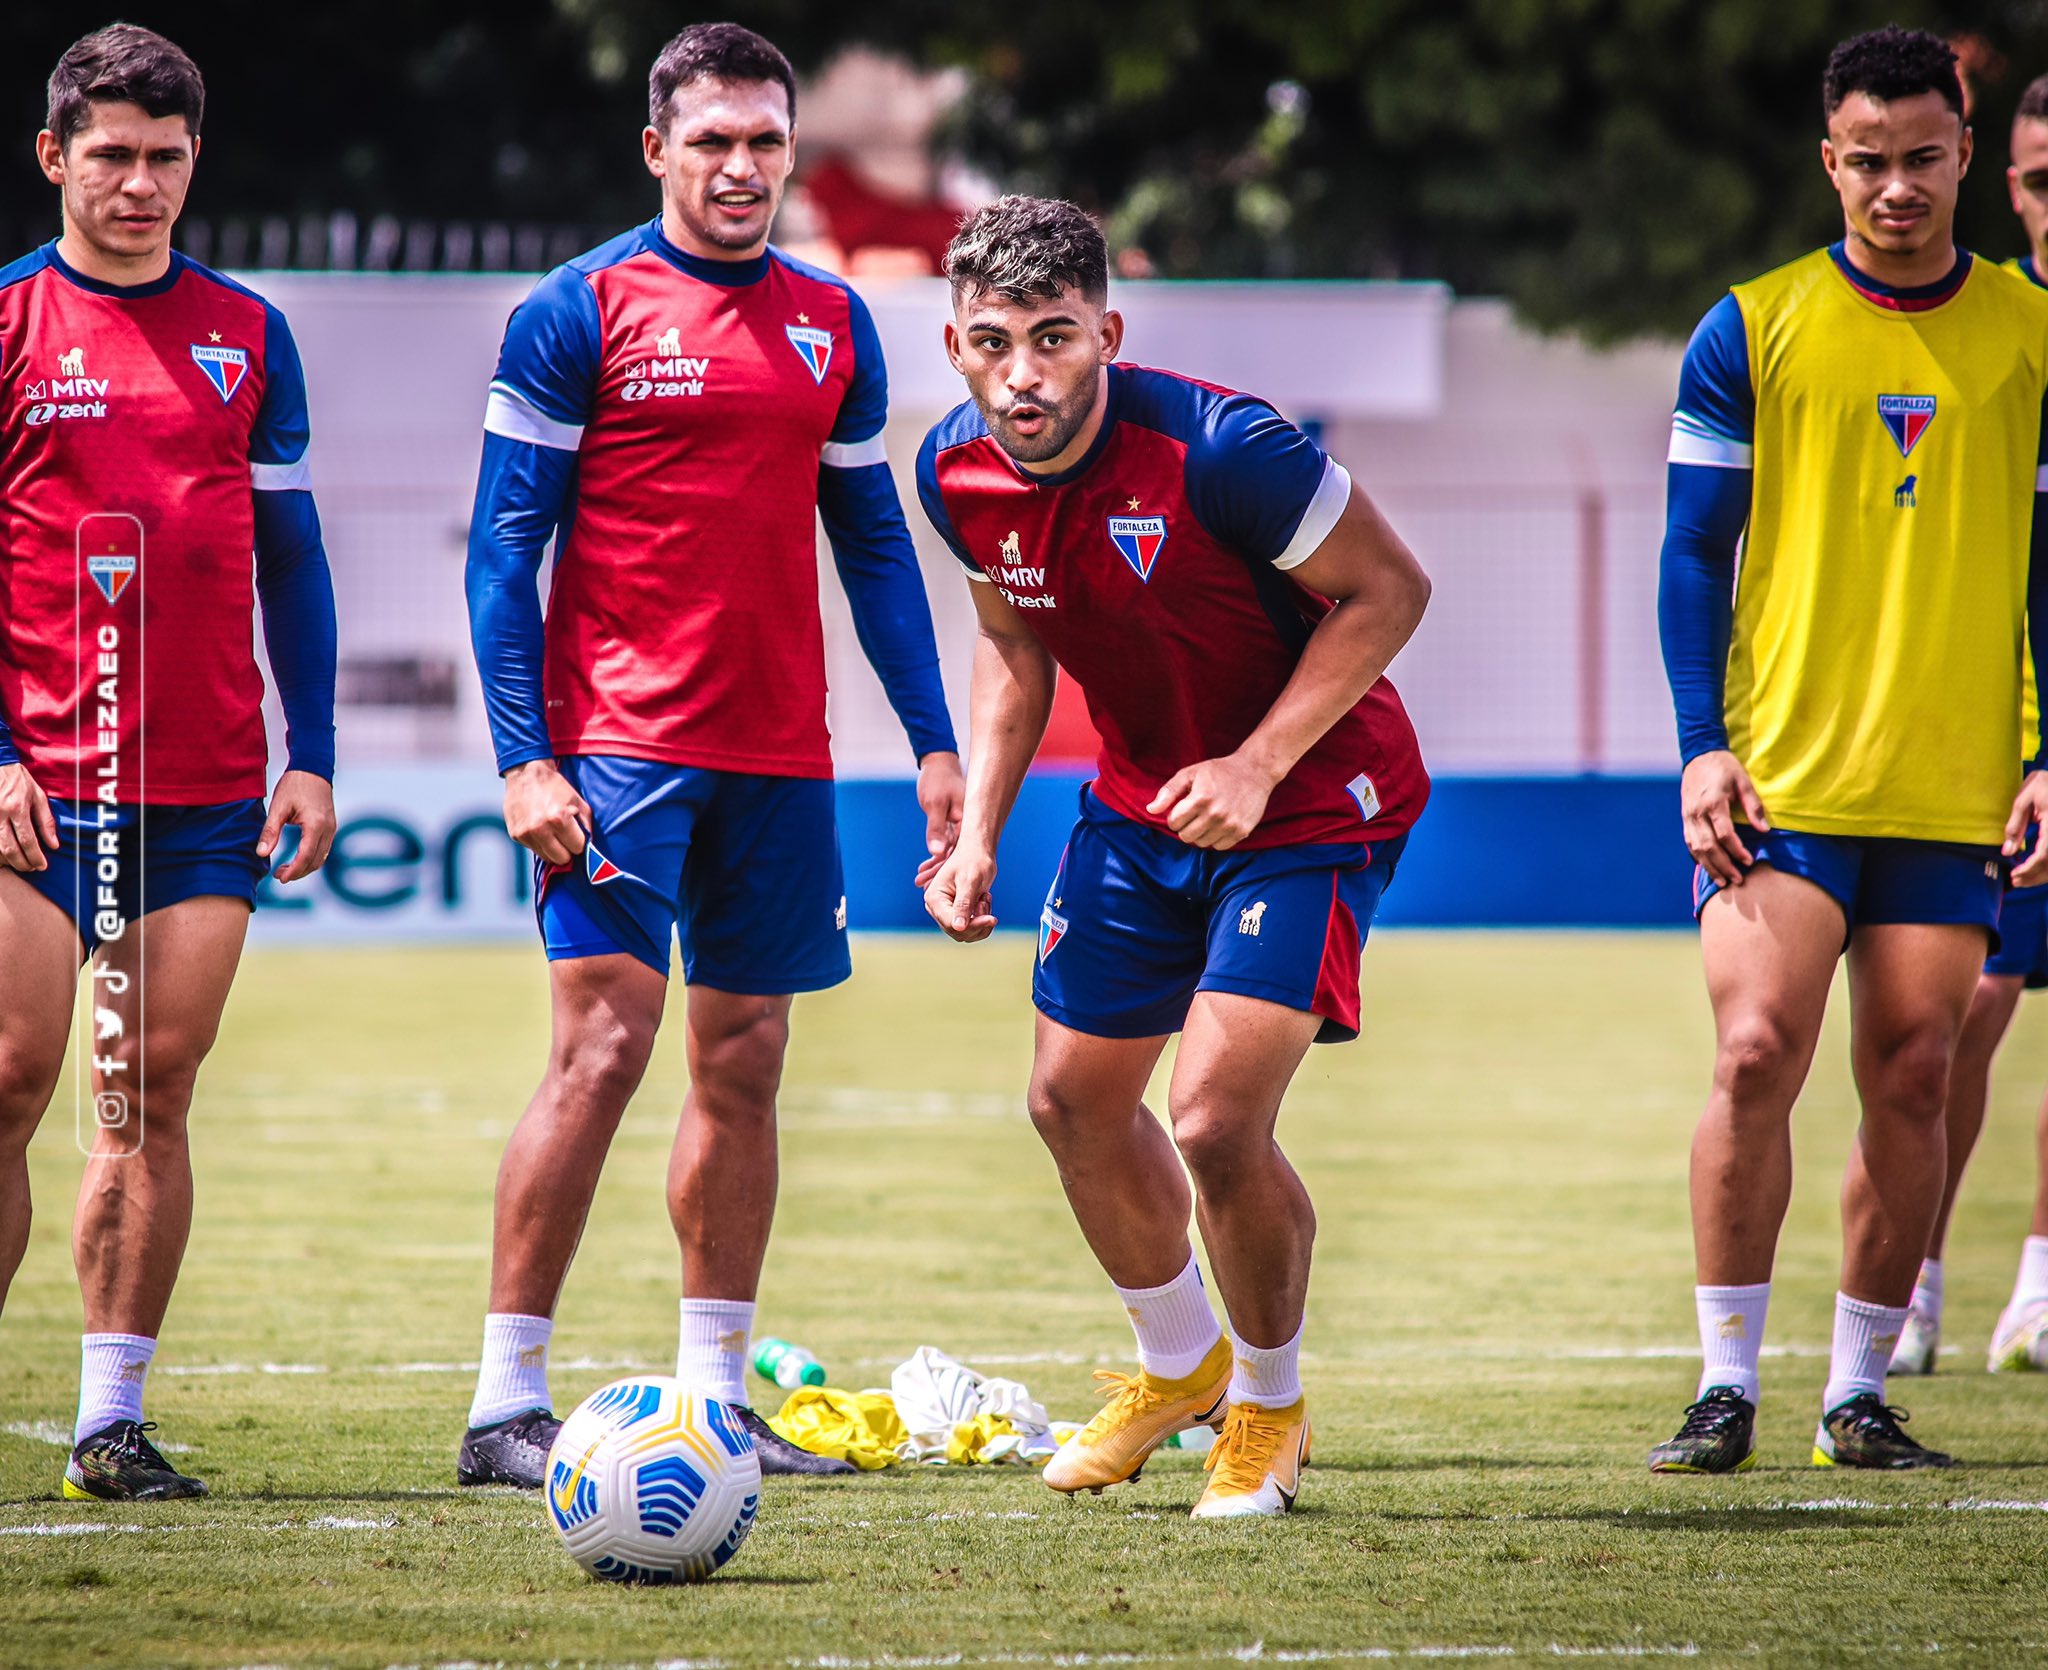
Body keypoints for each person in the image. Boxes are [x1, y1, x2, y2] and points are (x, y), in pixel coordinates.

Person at [460, 22, 963, 1485]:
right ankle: (505, 1403)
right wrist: (523, 757)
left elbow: (872, 544)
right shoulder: (577, 308)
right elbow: (506, 552)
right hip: (616, 752)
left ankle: (717, 1396)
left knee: (744, 1060)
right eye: (713, 142)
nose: (740, 167)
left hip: (781, 761)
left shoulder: (832, 319)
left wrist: (933, 739)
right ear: (658, 150)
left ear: (791, 150)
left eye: (763, 141)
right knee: (601, 1052)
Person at [916, 196, 1430, 1518]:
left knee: (1210, 1117)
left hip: (1311, 801)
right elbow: (1015, 644)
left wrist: (1257, 764)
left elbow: (1393, 591)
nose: (1022, 374)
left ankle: (1266, 1401)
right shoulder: (952, 470)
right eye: (991, 342)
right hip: (1140, 807)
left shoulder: (1225, 449)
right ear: (956, 345)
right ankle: (1178, 1364)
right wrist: (978, 829)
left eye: (1053, 336)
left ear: (1108, 331)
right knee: (1073, 1103)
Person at [1650, 26, 2048, 1474]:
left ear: (1968, 152)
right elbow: (1693, 556)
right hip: (1782, 778)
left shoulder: (2032, 332)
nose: (1896, 187)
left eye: (1924, 158)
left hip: (1953, 787)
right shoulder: (1747, 326)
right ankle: (1724, 1381)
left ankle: (1857, 1394)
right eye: (1867, 162)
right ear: (1829, 161)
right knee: (1755, 1049)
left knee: (1917, 1069)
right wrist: (1702, 747)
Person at [0, 25, 338, 1500]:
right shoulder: (7, 320)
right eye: (112, 154)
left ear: (194, 162)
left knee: (146, 1089)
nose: (138, 183)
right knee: (11, 1076)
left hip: (201, 788)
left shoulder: (248, 331)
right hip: (36, 786)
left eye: (165, 157)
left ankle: (108, 1421)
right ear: (54, 156)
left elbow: (292, 555)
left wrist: (310, 751)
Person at [1889, 71, 2048, 1378]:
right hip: (1989, 745)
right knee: (1959, 1017)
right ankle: (1916, 1282)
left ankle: (2038, 1289)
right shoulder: (1978, 332)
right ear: (2009, 182)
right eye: (2046, 186)